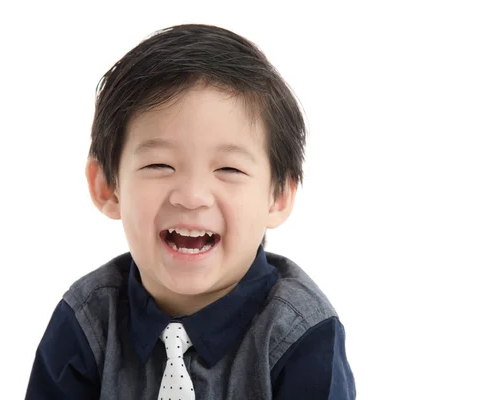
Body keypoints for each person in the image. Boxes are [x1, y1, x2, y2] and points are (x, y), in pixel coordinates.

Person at [25, 23, 356, 399]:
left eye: (228, 169)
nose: (193, 196)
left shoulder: (302, 333)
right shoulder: (86, 322)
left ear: (277, 197)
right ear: (107, 187)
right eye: (159, 165)